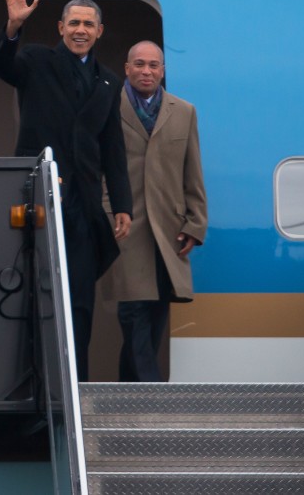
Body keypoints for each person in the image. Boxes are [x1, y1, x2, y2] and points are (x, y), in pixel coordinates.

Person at [0, 0, 132, 381]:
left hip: (84, 208)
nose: (81, 30)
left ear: (99, 31)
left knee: (80, 302)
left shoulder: (109, 82)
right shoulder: (35, 60)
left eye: (88, 24)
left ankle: (76, 384)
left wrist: (122, 205)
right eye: (74, 23)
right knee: (36, 292)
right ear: (60, 28)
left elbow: (113, 149)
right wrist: (13, 27)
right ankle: (32, 381)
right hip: (40, 199)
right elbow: (1, 64)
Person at [102, 40, 207, 382]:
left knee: (157, 314)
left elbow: (193, 172)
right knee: (133, 312)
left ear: (163, 70)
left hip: (169, 229)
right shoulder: (107, 106)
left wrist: (195, 224)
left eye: (154, 65)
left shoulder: (184, 111)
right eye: (140, 64)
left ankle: (127, 393)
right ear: (127, 68)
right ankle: (151, 392)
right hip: (125, 224)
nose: (147, 71)